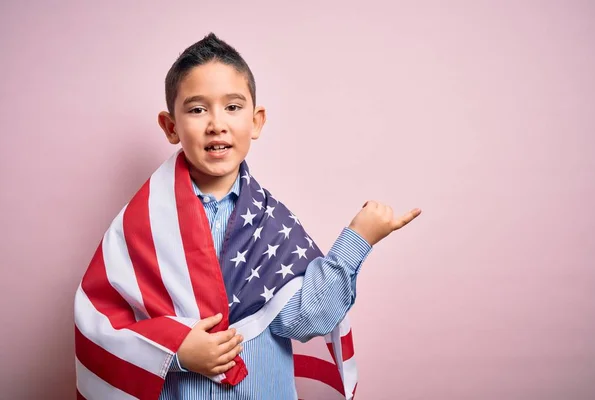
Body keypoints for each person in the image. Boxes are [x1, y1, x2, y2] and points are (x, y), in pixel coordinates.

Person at [74, 32, 420, 400]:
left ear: (256, 121)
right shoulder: (141, 226)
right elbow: (101, 323)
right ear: (171, 127)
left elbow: (306, 319)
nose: (216, 123)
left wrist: (358, 238)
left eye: (233, 107)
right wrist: (176, 350)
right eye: (196, 109)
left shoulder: (274, 225)